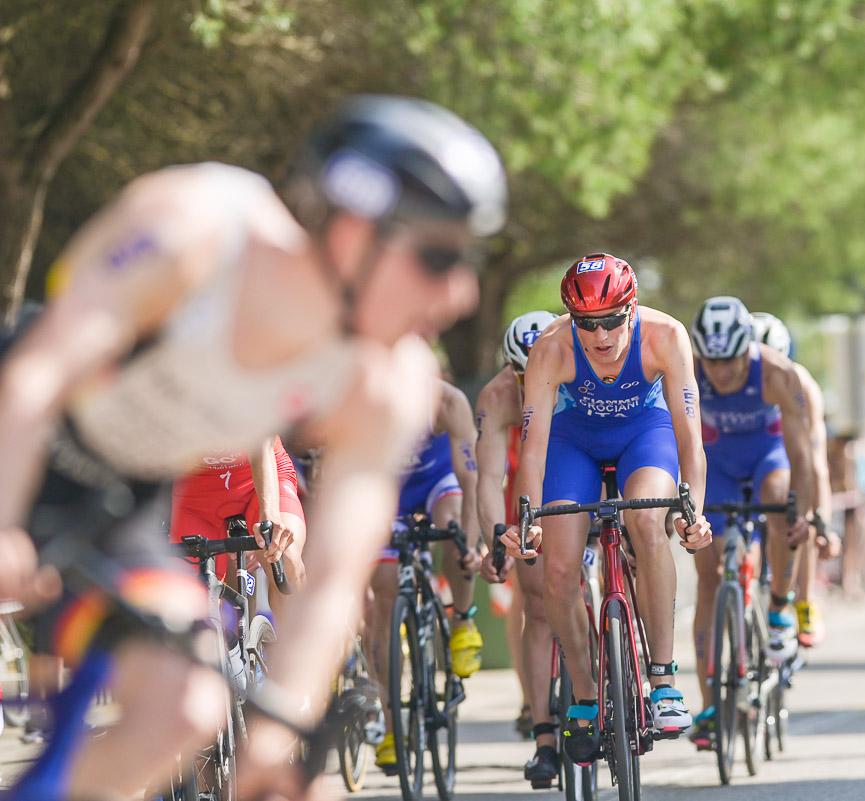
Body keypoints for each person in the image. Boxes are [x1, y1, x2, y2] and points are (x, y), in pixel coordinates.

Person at [0, 95, 505, 800]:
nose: (460, 294)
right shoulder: (197, 227)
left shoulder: (387, 378)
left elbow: (332, 572)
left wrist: (278, 732)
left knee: (188, 706)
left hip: (122, 499)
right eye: (438, 256)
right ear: (354, 230)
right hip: (16, 443)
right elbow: (37, 376)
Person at [500, 253, 712, 764]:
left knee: (645, 519)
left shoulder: (666, 336)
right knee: (556, 563)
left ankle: (662, 678)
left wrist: (694, 510)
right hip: (574, 443)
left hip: (647, 434)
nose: (600, 335)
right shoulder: (551, 347)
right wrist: (527, 520)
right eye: (587, 323)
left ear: (632, 308)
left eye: (613, 320)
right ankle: (584, 692)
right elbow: (533, 447)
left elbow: (689, 436)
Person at [686, 300, 821, 747]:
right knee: (708, 582)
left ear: (748, 349)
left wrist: (807, 513)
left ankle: (780, 607)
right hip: (717, 464)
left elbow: (804, 455)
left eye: (730, 360)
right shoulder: (688, 369)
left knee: (781, 501)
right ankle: (709, 706)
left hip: (768, 458)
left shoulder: (779, 373)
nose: (720, 372)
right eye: (712, 360)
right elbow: (670, 437)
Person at [369, 378, 484, 773]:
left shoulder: (448, 402)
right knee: (383, 597)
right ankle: (389, 726)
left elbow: (472, 479)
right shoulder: (361, 394)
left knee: (452, 526)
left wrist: (470, 543)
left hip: (438, 480)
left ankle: (463, 620)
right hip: (386, 489)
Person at [477, 310, 564, 784]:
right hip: (528, 486)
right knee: (535, 601)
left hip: (578, 473)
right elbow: (489, 478)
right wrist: (496, 535)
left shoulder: (581, 371)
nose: (530, 381)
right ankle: (544, 735)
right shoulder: (497, 397)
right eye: (520, 374)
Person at [750, 310, 838, 643]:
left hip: (784, 456)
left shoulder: (803, 386)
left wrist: (822, 521)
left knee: (801, 518)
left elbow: (816, 463)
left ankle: (804, 601)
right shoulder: (727, 377)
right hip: (745, 455)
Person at [170, 436, 307, 607]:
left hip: (258, 480)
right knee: (188, 597)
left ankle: (306, 632)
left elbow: (261, 445)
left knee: (286, 558)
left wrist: (269, 516)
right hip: (196, 493)